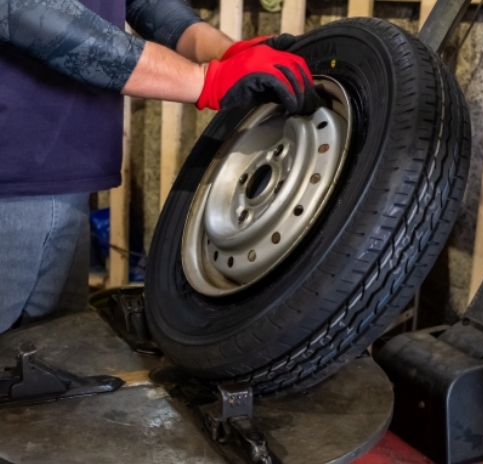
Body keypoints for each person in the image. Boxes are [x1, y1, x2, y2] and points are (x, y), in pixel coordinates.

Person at [0, 0, 317, 333]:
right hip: (10, 176)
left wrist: (224, 51)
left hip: (65, 179)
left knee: (48, 360)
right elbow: (26, 10)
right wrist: (205, 80)